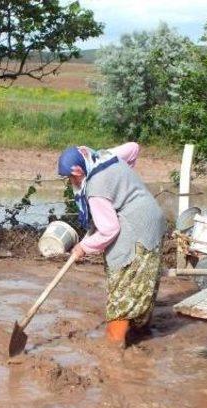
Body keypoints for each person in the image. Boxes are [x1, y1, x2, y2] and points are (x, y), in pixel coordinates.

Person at [57, 143, 166, 347]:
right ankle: (141, 332)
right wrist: (120, 186)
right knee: (142, 282)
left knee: (122, 286)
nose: (71, 182)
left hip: (136, 230)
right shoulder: (105, 157)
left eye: (71, 178)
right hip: (153, 221)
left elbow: (109, 230)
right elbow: (133, 148)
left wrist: (83, 247)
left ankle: (113, 351)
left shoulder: (95, 188)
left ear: (79, 171)